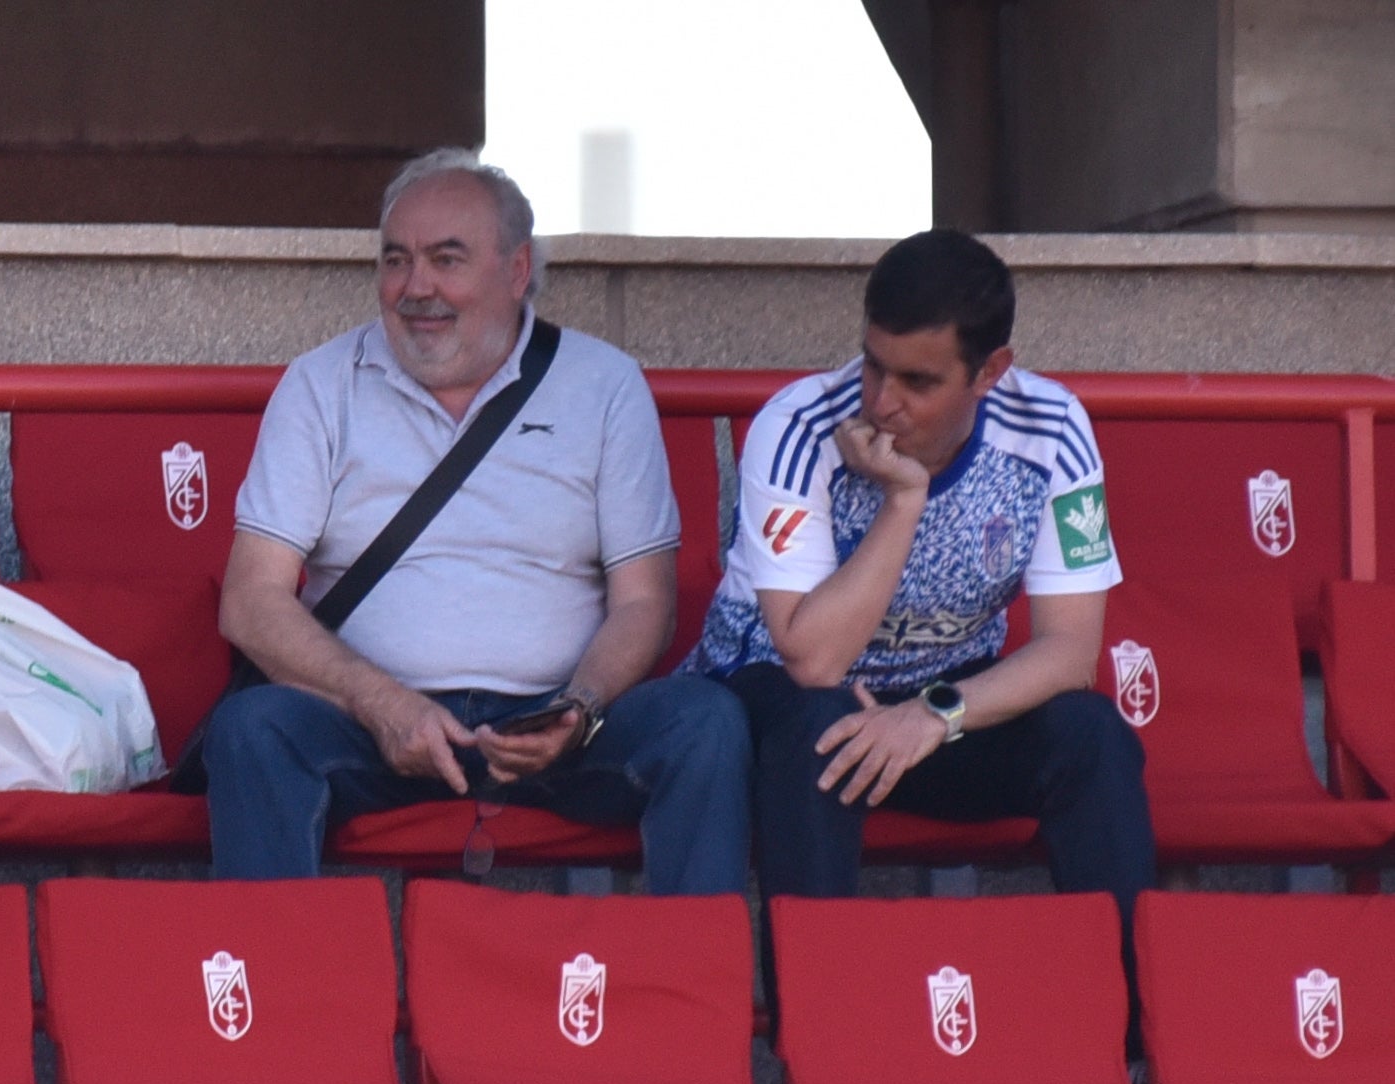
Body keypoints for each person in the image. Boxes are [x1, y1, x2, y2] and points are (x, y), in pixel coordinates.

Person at [202, 148, 749, 892]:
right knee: (252, 730)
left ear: (515, 271)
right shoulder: (320, 384)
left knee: (705, 722)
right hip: (372, 723)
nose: (414, 288)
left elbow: (644, 602)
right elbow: (251, 600)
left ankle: (689, 992)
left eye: (445, 260)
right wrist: (382, 703)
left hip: (554, 730)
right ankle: (273, 995)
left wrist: (579, 709)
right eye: (395, 260)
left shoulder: (602, 384)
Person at [681, 229, 1152, 919]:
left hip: (934, 708)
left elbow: (1070, 652)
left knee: (1091, 734)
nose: (881, 402)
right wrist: (903, 501)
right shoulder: (798, 426)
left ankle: (1134, 1019)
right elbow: (812, 660)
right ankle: (816, 1020)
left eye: (918, 382)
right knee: (824, 721)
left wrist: (933, 714)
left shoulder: (1052, 426)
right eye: (874, 367)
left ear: (989, 372)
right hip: (774, 704)